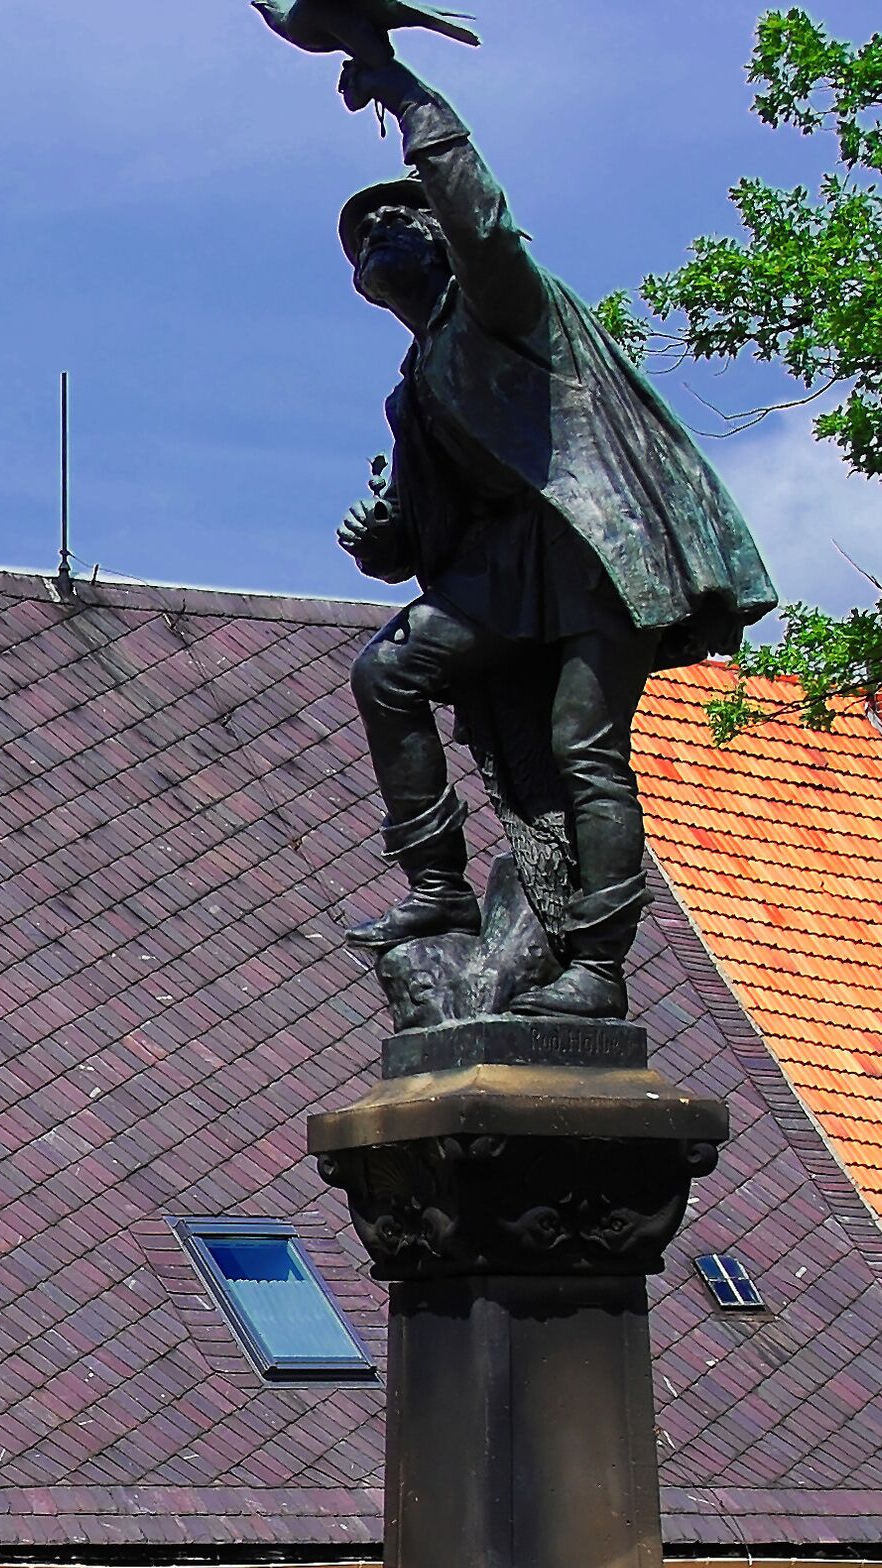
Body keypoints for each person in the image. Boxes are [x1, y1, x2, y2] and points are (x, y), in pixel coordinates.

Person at [297, 27, 776, 1018]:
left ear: (436, 238)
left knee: (583, 748)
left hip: (598, 550)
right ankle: (437, 885)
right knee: (389, 671)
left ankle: (597, 966)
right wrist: (384, 540)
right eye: (359, 243)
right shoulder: (417, 383)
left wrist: (401, 92)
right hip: (513, 570)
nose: (373, 242)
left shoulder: (503, 307)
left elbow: (482, 217)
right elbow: (428, 533)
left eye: (393, 223)